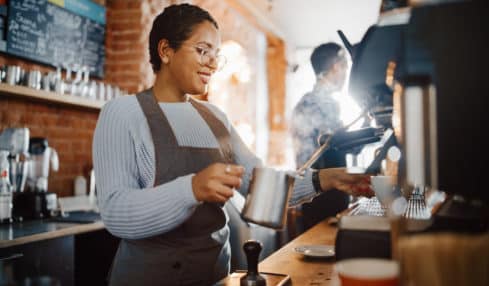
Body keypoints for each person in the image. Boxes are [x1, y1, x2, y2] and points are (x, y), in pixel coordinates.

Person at [93, 4, 372, 286]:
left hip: (215, 276)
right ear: (166, 51)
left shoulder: (216, 118)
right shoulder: (122, 113)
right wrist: (192, 188)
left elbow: (260, 184)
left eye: (216, 55)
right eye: (203, 50)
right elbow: (116, 213)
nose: (212, 63)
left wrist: (327, 178)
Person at [290, 43, 352, 231]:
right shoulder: (325, 103)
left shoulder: (304, 102)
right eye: (345, 68)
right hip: (324, 196)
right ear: (336, 67)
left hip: (308, 193)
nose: (345, 75)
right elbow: (340, 146)